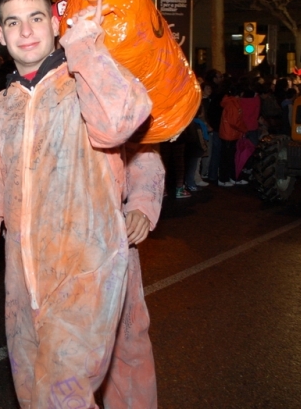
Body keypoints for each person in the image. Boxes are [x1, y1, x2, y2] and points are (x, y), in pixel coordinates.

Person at [0, 0, 153, 407]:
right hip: (24, 292)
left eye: (35, 19)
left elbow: (128, 127)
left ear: (54, 22)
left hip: (91, 278)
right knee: (36, 397)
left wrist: (143, 201)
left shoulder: (89, 81)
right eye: (13, 22)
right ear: (0, 35)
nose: (26, 31)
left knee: (74, 395)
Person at [102, 143, 164, 409]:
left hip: (112, 245)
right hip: (48, 258)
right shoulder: (21, 106)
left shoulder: (120, 104)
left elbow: (144, 153)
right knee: (58, 359)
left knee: (126, 344)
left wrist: (141, 205)